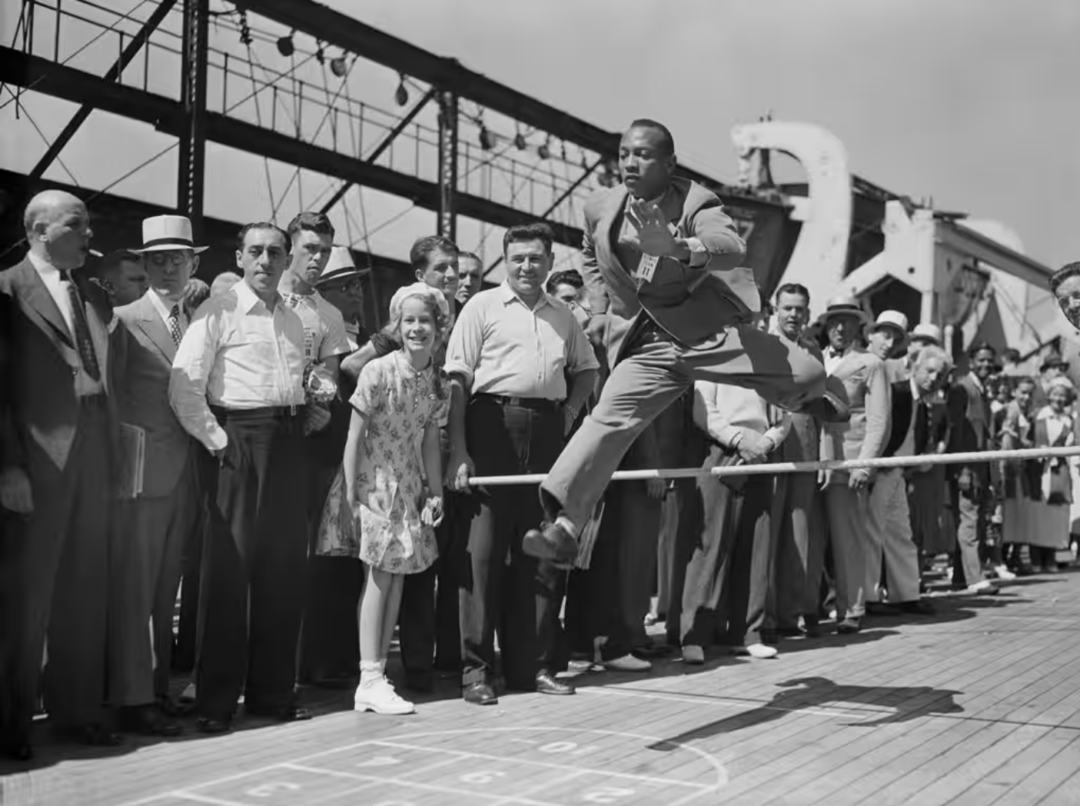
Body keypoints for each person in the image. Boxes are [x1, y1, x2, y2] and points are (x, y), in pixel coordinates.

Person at [516, 119, 840, 564]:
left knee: (807, 372)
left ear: (669, 163)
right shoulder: (599, 207)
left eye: (644, 154)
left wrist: (678, 247)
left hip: (704, 331)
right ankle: (564, 527)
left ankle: (817, 394)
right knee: (607, 421)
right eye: (625, 151)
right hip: (645, 344)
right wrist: (601, 303)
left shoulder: (697, 200)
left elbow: (729, 246)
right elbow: (592, 251)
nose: (631, 161)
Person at [445, 223, 599, 705]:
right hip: (491, 426)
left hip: (548, 432)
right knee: (482, 556)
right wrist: (460, 450)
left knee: (540, 558)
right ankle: (475, 672)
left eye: (535, 259)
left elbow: (588, 368)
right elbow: (456, 381)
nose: (527, 267)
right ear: (505, 262)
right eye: (518, 259)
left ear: (550, 262)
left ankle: (533, 667)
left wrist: (570, 412)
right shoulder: (481, 307)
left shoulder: (563, 316)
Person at [169, 221, 313, 734]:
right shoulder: (218, 311)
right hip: (238, 441)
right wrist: (219, 441)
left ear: (287, 257)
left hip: (288, 443)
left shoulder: (294, 320)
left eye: (276, 252)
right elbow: (183, 386)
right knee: (228, 578)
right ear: (239, 256)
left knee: (283, 571)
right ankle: (215, 701)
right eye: (256, 251)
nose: (267, 261)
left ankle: (273, 693)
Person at [0, 190, 119, 759]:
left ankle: (78, 712)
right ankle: (11, 721)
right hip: (38, 461)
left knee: (85, 587)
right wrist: (7, 465)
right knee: (26, 598)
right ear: (39, 230)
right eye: (77, 225)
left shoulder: (93, 295)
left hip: (95, 457)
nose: (88, 234)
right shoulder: (6, 289)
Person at [317, 283, 450, 715]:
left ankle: (374, 676)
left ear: (439, 326)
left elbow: (431, 440)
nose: (416, 328)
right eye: (408, 321)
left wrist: (434, 489)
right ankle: (369, 675)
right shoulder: (378, 371)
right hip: (372, 483)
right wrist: (353, 495)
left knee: (397, 577)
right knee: (378, 576)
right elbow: (354, 436)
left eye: (425, 321)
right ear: (396, 325)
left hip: (409, 485)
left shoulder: (437, 380)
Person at [108, 215, 208, 738]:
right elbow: (110, 400)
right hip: (142, 475)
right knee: (136, 589)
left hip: (189, 474)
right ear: (143, 265)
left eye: (177, 258)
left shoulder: (203, 320)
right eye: (157, 259)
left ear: (194, 264)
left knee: (166, 589)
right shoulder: (122, 319)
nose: (168, 267)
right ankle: (132, 697)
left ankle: (159, 689)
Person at [678, 375, 790, 663]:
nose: (747, 325)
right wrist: (739, 439)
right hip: (721, 451)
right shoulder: (715, 352)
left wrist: (766, 442)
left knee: (756, 544)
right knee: (708, 547)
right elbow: (703, 411)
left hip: (761, 454)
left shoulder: (767, 358)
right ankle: (694, 635)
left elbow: (784, 414)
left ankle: (747, 633)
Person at [819, 296, 890, 634]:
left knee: (848, 539)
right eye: (834, 321)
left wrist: (864, 465)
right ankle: (813, 604)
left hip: (848, 462)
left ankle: (852, 607)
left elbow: (878, 420)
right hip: (812, 461)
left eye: (848, 320)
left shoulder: (871, 363)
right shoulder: (814, 360)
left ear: (858, 326)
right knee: (811, 539)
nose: (840, 327)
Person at [866, 347, 947, 616]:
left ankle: (906, 594)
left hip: (898, 474)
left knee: (901, 532)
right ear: (914, 368)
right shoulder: (896, 392)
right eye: (930, 370)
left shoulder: (923, 405)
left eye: (940, 373)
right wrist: (877, 464)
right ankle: (868, 596)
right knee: (872, 532)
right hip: (881, 471)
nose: (934, 378)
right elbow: (878, 427)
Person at [769, 283, 827, 638]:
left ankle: (794, 612)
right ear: (776, 309)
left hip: (805, 449)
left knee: (799, 532)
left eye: (800, 309)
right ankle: (767, 614)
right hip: (771, 446)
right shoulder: (761, 344)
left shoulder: (813, 350)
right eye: (788, 307)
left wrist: (821, 458)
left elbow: (822, 409)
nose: (793, 314)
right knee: (769, 533)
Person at [946, 342, 1002, 594]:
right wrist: (963, 470)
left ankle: (960, 576)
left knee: (972, 520)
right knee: (969, 523)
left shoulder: (982, 390)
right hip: (966, 468)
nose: (986, 365)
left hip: (980, 467)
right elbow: (955, 431)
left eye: (989, 360)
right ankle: (975, 578)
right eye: (981, 360)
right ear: (971, 361)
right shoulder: (962, 389)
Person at [317, 246, 370, 351]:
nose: (354, 292)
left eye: (356, 285)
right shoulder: (317, 340)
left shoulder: (367, 338)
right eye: (344, 288)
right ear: (323, 295)